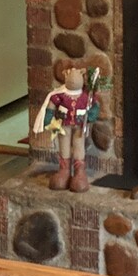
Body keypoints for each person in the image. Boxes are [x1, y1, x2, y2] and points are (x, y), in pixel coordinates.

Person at [34, 62, 106, 192]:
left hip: (79, 127)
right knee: (64, 146)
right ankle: (64, 170)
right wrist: (48, 119)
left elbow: (95, 106)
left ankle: (79, 173)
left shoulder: (86, 96)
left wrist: (92, 115)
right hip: (63, 126)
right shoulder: (59, 95)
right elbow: (50, 107)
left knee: (79, 146)